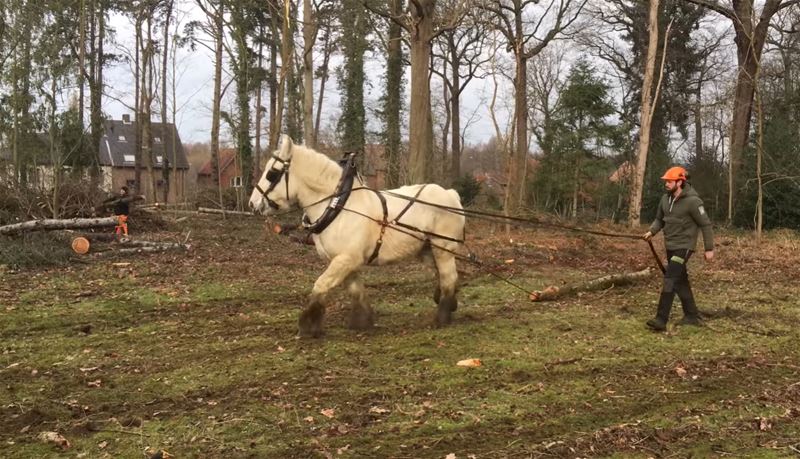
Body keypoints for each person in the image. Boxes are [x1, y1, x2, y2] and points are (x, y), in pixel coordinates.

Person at [643, 166, 714, 331]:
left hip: (685, 246)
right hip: (671, 245)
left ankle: (661, 319)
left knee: (670, 278)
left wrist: (709, 248)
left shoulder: (693, 202)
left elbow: (706, 225)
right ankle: (691, 315)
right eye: (666, 181)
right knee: (680, 280)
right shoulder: (664, 199)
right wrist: (651, 231)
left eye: (670, 181)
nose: (666, 184)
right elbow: (660, 220)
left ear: (680, 181)